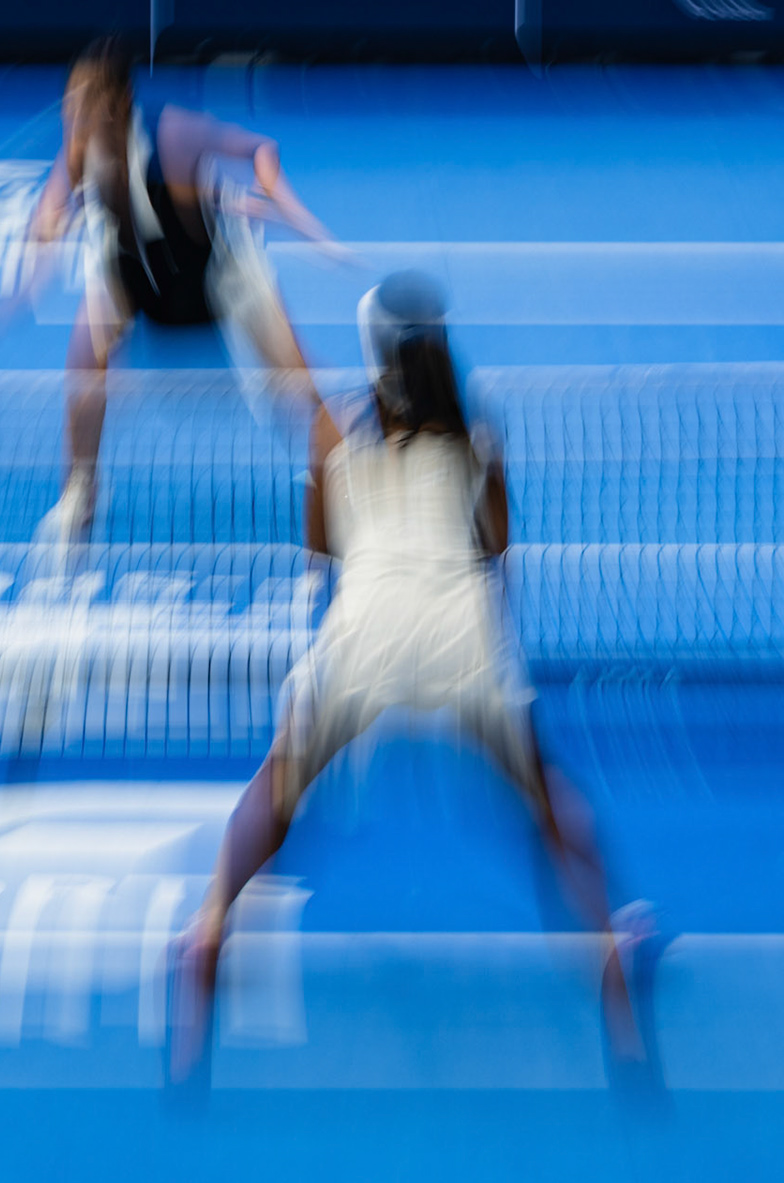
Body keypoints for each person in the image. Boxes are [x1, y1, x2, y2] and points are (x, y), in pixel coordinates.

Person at [165, 271, 653, 1084]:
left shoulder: (337, 440)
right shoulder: (478, 439)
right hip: (463, 631)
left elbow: (322, 555)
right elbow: (495, 555)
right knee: (544, 794)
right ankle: (607, 947)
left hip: (367, 628)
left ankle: (211, 925)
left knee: (278, 789)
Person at [27, 37, 342, 545]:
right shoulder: (82, 142)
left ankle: (343, 479)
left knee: (298, 388)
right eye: (71, 105)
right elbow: (55, 198)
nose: (75, 117)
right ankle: (79, 493)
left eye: (84, 105)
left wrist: (273, 194)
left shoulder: (173, 136)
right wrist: (44, 228)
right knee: (83, 367)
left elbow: (260, 147)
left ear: (118, 104)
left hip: (224, 269)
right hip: (133, 266)